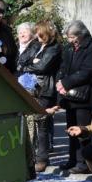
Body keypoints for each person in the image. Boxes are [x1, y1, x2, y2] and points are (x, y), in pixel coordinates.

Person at [56, 20, 92, 173]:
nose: (69, 40)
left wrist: (65, 83)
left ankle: (84, 163)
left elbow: (87, 72)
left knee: (83, 131)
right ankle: (73, 160)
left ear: (81, 35)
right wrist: (60, 83)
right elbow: (63, 67)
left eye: (72, 37)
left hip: (85, 95)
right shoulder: (69, 47)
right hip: (70, 95)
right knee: (71, 130)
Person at [17, 21, 62, 172]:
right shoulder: (37, 45)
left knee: (42, 123)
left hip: (45, 90)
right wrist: (33, 62)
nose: (37, 36)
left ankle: (42, 158)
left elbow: (43, 66)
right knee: (31, 122)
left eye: (39, 33)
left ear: (46, 34)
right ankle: (31, 156)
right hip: (32, 88)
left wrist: (30, 65)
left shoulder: (54, 48)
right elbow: (21, 60)